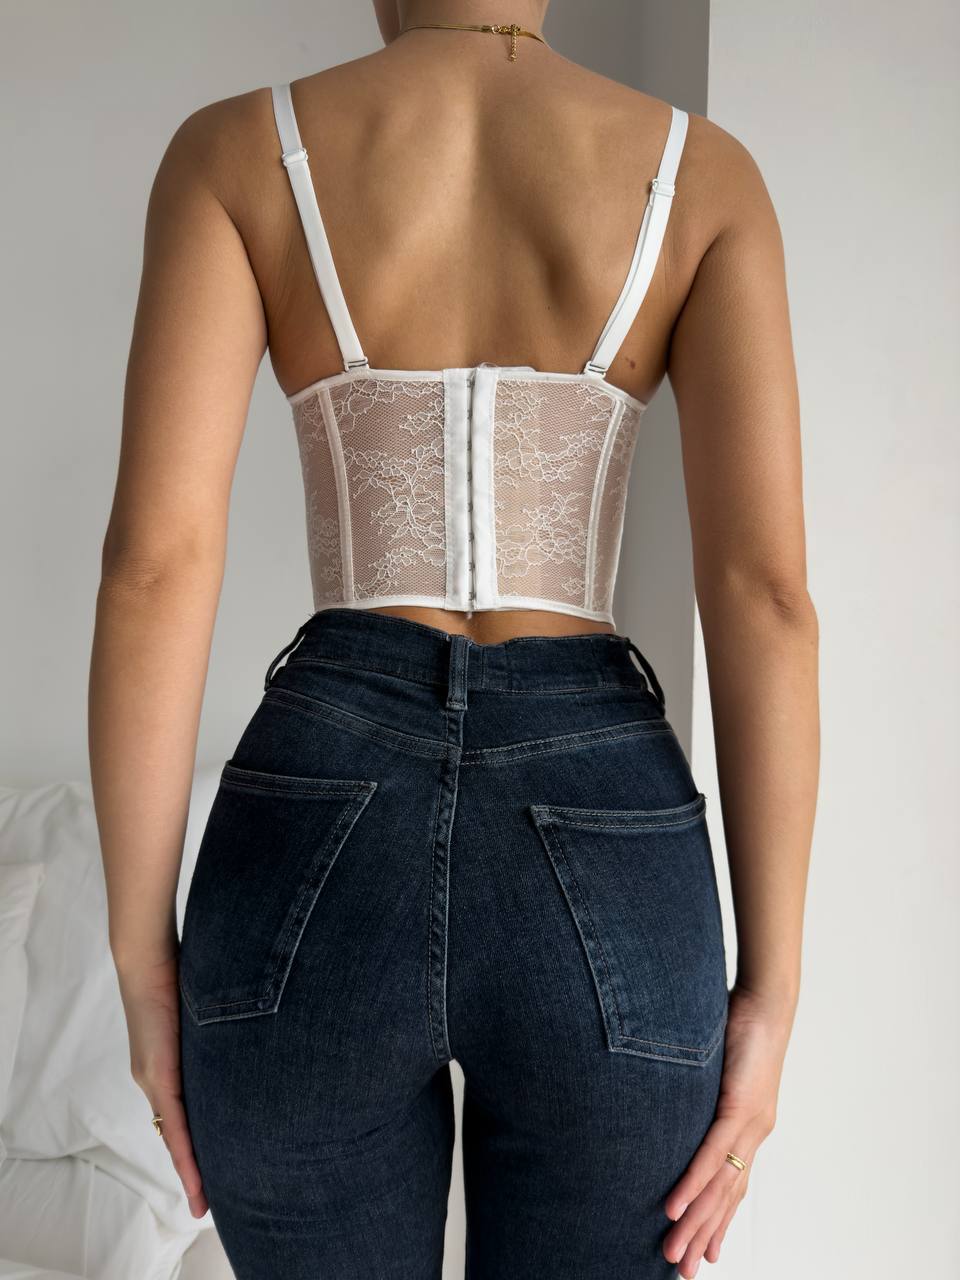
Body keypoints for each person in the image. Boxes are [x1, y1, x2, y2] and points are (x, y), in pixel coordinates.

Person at [88, 2, 819, 1277]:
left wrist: (143, 964)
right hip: (604, 826)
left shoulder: (237, 153)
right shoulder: (703, 176)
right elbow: (764, 594)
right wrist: (774, 992)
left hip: (320, 805)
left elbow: (155, 568)